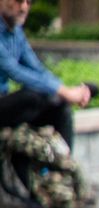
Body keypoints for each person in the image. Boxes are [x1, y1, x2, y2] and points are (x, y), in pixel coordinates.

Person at [0, 0, 92, 152]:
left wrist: (66, 92)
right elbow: (14, 71)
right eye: (18, 1)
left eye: (28, 2)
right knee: (32, 96)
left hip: (6, 104)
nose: (24, 7)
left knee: (60, 106)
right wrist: (65, 92)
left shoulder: (16, 32)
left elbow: (37, 69)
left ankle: (64, 168)